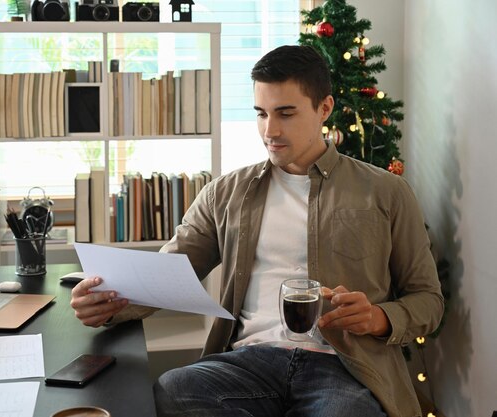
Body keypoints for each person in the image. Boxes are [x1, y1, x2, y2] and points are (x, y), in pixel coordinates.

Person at [70, 45, 444, 417]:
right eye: (261, 113)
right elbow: (167, 275)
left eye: (286, 113)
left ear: (324, 109)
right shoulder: (226, 192)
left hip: (343, 369)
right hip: (249, 361)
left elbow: (428, 299)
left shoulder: (385, 192)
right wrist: (106, 304)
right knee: (175, 389)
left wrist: (377, 318)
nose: (270, 130)